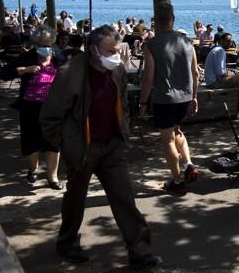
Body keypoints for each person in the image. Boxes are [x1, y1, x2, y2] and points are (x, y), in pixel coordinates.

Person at [39, 25, 162, 269]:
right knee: (75, 199)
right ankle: (67, 243)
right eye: (110, 50)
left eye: (117, 50)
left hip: (112, 145)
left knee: (124, 197)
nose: (115, 55)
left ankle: (139, 252)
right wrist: (66, 145)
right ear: (93, 49)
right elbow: (50, 116)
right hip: (83, 147)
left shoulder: (116, 71)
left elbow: (123, 103)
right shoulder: (69, 74)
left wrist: (123, 130)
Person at [140, 1, 200, 194]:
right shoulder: (188, 42)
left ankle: (176, 181)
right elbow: (196, 73)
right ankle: (189, 164)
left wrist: (142, 103)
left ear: (155, 22)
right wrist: (195, 97)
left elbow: (148, 78)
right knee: (177, 131)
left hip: (164, 99)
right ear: (173, 20)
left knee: (168, 140)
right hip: (185, 97)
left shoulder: (151, 45)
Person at [0, 25, 63, 190]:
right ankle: (33, 170)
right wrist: (26, 70)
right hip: (30, 106)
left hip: (53, 107)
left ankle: (53, 177)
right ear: (35, 44)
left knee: (53, 142)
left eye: (48, 44)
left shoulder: (58, 57)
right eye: (41, 45)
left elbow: (69, 75)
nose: (45, 48)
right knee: (31, 141)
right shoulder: (26, 58)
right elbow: (4, 73)